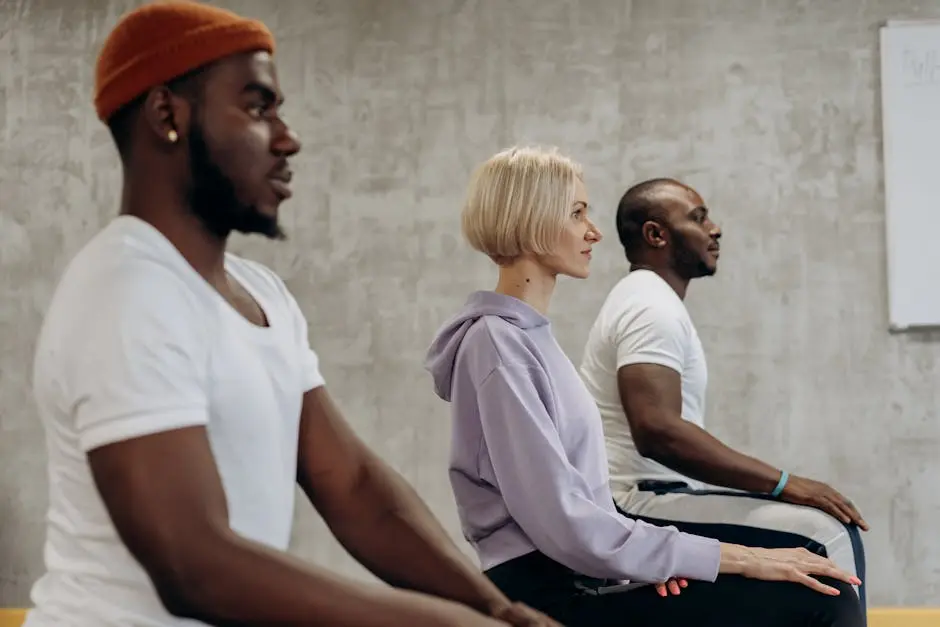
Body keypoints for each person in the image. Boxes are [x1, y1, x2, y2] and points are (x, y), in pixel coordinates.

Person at [24, 3, 560, 626]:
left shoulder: (262, 292)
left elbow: (354, 487)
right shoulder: (125, 290)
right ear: (167, 114)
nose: (288, 137)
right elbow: (193, 564)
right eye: (257, 107)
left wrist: (496, 608)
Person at [423, 146, 865, 627]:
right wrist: (733, 556)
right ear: (531, 220)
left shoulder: (530, 339)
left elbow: (579, 519)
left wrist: (649, 562)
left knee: (816, 586)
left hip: (584, 574)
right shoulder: (496, 344)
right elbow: (564, 523)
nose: (593, 231)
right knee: (822, 597)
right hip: (551, 593)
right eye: (576, 214)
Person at [577, 177, 869, 615]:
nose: (715, 229)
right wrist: (786, 485)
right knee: (825, 533)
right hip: (634, 500)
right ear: (656, 234)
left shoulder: (651, 299)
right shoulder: (648, 304)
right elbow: (657, 430)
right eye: (698, 218)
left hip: (655, 492)